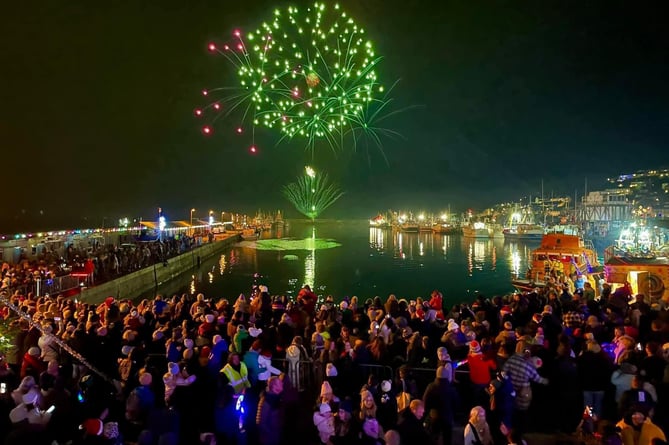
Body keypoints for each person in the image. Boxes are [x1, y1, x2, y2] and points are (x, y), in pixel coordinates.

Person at [422, 366, 458, 445]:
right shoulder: (451, 389)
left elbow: (425, 400)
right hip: (447, 417)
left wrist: (427, 412)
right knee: (447, 438)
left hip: (434, 416)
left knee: (433, 437)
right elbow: (456, 403)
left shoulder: (431, 387)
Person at [256, 375, 284, 445]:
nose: (282, 385)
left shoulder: (276, 399)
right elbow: (262, 423)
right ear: (275, 387)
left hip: (274, 434)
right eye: (280, 384)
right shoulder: (267, 402)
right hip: (269, 438)